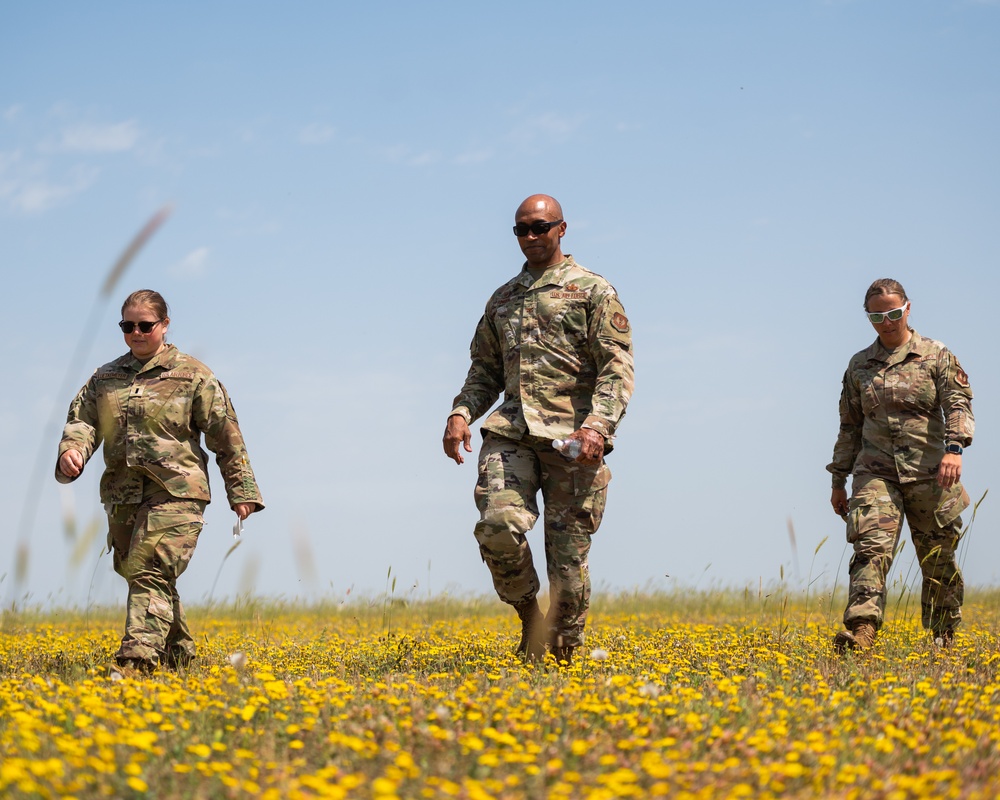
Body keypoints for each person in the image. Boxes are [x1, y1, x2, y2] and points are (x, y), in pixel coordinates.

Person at [442, 195, 634, 665]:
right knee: (497, 524)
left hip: (575, 441)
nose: (530, 237)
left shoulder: (593, 291)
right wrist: (461, 412)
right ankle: (529, 617)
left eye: (539, 227)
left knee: (568, 566)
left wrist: (598, 426)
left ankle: (563, 650)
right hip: (512, 433)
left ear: (562, 228)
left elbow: (617, 367)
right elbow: (484, 370)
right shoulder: (504, 299)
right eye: (521, 230)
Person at [56, 289, 264, 673]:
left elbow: (226, 435)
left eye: (145, 325)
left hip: (178, 492)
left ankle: (134, 663)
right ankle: (178, 655)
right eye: (127, 326)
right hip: (123, 493)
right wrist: (74, 451)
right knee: (138, 572)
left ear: (164, 325)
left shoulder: (193, 375)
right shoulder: (105, 378)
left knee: (149, 567)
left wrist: (242, 490)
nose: (137, 332)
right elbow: (82, 421)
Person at [828, 278, 973, 653]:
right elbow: (850, 425)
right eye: (876, 316)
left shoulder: (936, 354)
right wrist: (838, 480)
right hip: (875, 472)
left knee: (938, 557)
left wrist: (954, 448)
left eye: (893, 313)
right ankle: (862, 631)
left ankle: (943, 637)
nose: (886, 322)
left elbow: (957, 403)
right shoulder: (859, 365)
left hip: (931, 472)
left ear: (908, 308)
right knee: (870, 549)